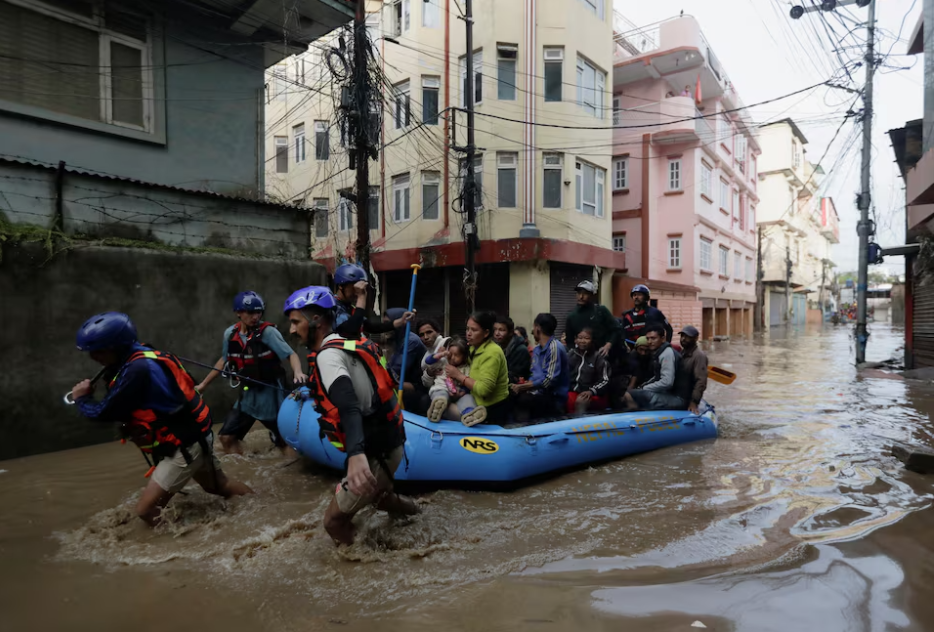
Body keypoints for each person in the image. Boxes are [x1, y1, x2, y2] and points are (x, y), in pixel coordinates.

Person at [70, 312, 252, 526]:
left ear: (116, 347)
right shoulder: (144, 355)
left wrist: (82, 399)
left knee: (146, 511)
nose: (94, 358)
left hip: (185, 446)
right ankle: (261, 505)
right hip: (195, 437)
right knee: (219, 486)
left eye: (98, 352)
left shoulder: (136, 370)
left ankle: (187, 550)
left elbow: (103, 412)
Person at [284, 286, 419, 546]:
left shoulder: (328, 356)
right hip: (389, 441)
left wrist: (356, 455)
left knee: (333, 522)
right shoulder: (341, 339)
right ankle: (418, 515)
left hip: (375, 451)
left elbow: (348, 404)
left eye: (295, 322)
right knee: (382, 498)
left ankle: (368, 569)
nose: (291, 329)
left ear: (316, 320)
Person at [197, 291, 306, 455]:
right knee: (226, 438)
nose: (255, 316)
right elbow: (224, 360)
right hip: (248, 397)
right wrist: (203, 385)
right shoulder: (230, 335)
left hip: (271, 396)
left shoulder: (268, 333)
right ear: (238, 313)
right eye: (250, 312)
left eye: (258, 312)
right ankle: (246, 467)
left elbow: (291, 355)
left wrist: (298, 372)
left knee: (286, 442)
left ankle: (283, 469)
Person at [442, 311, 512, 424]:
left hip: (490, 409)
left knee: (444, 409)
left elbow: (484, 390)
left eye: (474, 330)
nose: (468, 334)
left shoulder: (492, 352)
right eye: (467, 329)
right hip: (473, 399)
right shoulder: (472, 348)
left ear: (486, 333)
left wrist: (459, 376)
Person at [510, 313, 569, 422]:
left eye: (533, 327)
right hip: (536, 394)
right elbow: (534, 375)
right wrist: (523, 384)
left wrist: (525, 387)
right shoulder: (537, 350)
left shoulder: (554, 347)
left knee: (522, 400)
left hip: (553, 397)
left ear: (538, 328)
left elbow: (549, 380)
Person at [331, 263, 413, 339]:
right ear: (341, 286)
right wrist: (361, 297)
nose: (358, 292)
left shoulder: (349, 307)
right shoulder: (332, 306)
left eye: (361, 288)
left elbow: (370, 326)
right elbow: (351, 329)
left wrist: (400, 321)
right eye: (354, 288)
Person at [622, 324, 692, 411]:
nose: (650, 341)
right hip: (671, 394)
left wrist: (645, 388)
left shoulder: (667, 354)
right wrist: (643, 386)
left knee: (629, 394)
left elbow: (667, 382)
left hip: (678, 399)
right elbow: (657, 377)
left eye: (653, 338)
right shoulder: (659, 352)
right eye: (648, 338)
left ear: (663, 339)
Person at [425, 338, 486, 425]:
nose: (452, 358)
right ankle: (437, 408)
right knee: (441, 395)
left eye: (456, 355)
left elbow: (468, 383)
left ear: (464, 356)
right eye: (450, 354)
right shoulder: (443, 361)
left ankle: (470, 415)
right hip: (442, 388)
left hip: (458, 393)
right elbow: (428, 361)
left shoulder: (466, 368)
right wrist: (440, 354)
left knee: (468, 398)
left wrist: (463, 392)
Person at [382, 307, 428, 413]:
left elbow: (397, 369)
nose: (385, 327)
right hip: (402, 380)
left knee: (385, 384)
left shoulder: (411, 341)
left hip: (417, 385)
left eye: (388, 323)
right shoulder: (397, 340)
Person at [565, 280, 621, 358]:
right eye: (579, 293)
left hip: (603, 355)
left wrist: (608, 345)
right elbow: (569, 341)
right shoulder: (572, 316)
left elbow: (616, 329)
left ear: (592, 296)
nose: (581, 296)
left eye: (585, 293)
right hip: (583, 358)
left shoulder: (601, 311)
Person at [567, 328, 611, 414]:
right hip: (573, 391)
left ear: (592, 340)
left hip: (593, 393)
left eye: (587, 338)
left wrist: (591, 391)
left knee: (581, 401)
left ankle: (579, 426)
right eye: (580, 338)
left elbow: (605, 380)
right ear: (575, 340)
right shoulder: (571, 354)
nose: (582, 341)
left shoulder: (598, 357)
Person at [678, 325, 708, 414]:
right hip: (680, 393)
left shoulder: (699, 356)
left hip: (687, 397)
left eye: (687, 337)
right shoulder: (683, 353)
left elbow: (701, 381)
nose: (683, 339)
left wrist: (694, 402)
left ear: (695, 338)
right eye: (682, 336)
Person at [493, 315, 531, 384]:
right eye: (495, 329)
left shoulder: (521, 350)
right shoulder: (496, 346)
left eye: (501, 330)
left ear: (510, 333)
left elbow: (515, 376)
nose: (497, 333)